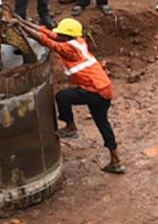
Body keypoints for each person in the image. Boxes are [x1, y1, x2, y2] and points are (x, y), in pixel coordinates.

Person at [30, 16, 125, 174]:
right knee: (102, 123)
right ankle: (116, 160)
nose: (57, 35)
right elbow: (49, 34)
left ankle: (71, 127)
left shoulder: (69, 49)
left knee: (62, 97)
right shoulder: (79, 41)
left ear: (66, 37)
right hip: (105, 89)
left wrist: (21, 25)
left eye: (60, 34)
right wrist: (22, 23)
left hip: (94, 90)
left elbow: (46, 40)